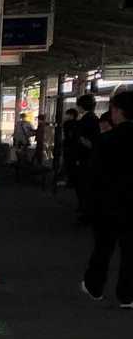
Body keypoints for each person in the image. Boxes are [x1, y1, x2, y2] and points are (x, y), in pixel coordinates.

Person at [81, 89, 133, 307]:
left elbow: (93, 174)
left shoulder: (106, 140)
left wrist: (89, 204)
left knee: (103, 247)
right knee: (130, 251)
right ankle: (127, 296)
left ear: (118, 111)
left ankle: (94, 287)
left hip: (107, 203)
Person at [72, 93, 101, 223]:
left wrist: (81, 140)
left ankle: (86, 213)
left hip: (85, 158)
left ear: (81, 106)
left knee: (84, 186)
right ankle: (85, 210)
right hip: (89, 158)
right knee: (85, 186)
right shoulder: (94, 118)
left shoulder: (87, 120)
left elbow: (86, 141)